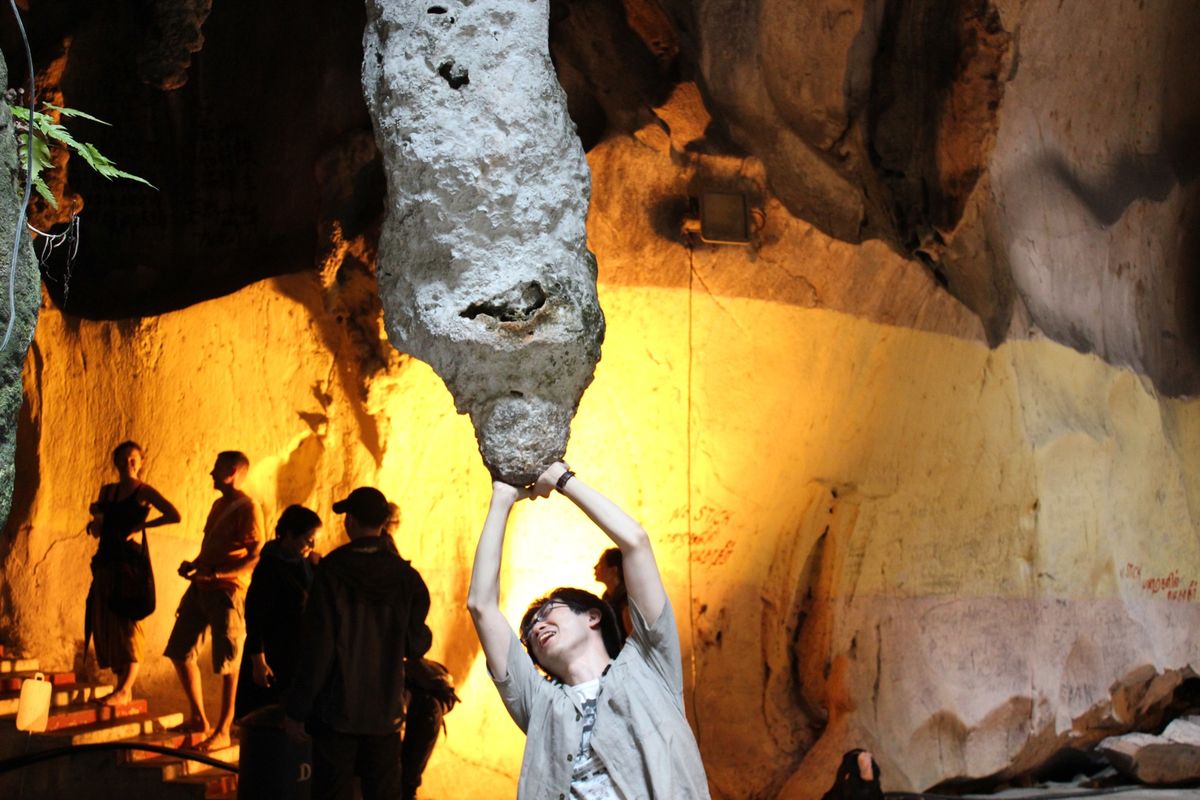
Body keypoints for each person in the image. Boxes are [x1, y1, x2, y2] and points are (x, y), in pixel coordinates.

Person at [468, 462, 711, 799]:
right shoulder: (540, 704)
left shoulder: (648, 664)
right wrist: (502, 497)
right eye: (531, 630)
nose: (538, 626)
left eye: (548, 612)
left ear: (593, 617)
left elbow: (636, 543)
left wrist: (563, 480)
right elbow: (481, 605)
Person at [285, 487, 433, 800]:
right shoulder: (406, 577)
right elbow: (416, 644)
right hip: (386, 713)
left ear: (350, 521)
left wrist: (297, 708)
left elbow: (317, 649)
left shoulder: (331, 571)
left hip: (336, 713)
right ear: (383, 524)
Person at [164, 450, 265, 752]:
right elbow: (213, 546)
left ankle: (223, 729)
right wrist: (195, 565)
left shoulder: (249, 508)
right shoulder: (219, 505)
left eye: (217, 468)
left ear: (232, 472)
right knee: (179, 650)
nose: (211, 473)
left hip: (227, 591)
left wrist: (219, 574)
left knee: (229, 661)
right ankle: (199, 718)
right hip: (202, 587)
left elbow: (256, 555)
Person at [86, 440, 181, 705]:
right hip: (107, 562)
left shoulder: (143, 491)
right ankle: (121, 688)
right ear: (115, 462)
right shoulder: (107, 492)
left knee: (129, 625)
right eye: (122, 459)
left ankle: (125, 689)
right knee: (108, 625)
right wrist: (95, 522)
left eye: (133, 459)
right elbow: (100, 527)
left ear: (140, 463)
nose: (127, 463)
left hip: (130, 565)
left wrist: (142, 526)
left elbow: (174, 514)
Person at [383, 502, 459, 800]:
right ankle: (407, 786)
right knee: (429, 709)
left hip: (382, 668)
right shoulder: (397, 571)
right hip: (382, 672)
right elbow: (415, 639)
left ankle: (405, 785)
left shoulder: (344, 566)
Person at [234, 504, 321, 720]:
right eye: (308, 539)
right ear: (290, 534)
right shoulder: (270, 567)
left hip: (295, 653)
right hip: (273, 655)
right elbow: (255, 615)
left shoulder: (304, 565)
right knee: (267, 717)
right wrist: (258, 661)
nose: (312, 545)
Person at [594, 547, 632, 638]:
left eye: (600, 563)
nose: (595, 567)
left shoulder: (626, 601)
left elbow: (635, 641)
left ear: (613, 570)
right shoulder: (607, 599)